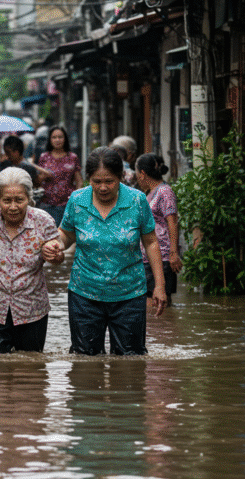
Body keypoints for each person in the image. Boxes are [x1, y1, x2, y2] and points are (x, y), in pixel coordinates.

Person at [42, 147, 167, 355]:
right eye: (96, 181)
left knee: (131, 360)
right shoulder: (77, 200)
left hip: (130, 294)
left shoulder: (137, 201)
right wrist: (55, 245)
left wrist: (159, 286)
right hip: (85, 293)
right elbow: (66, 233)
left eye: (109, 181)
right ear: (88, 179)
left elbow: (151, 241)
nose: (102, 187)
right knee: (85, 359)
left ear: (120, 177)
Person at [0, 167, 63, 354]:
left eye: (19, 200)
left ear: (29, 199)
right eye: (6, 200)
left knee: (30, 370)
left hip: (32, 309)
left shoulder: (43, 221)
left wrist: (55, 255)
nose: (13, 206)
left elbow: (58, 257)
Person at [135, 153, 182, 305]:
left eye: (137, 173)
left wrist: (173, 254)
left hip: (161, 257)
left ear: (142, 174)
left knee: (156, 305)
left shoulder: (164, 192)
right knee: (155, 307)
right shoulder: (150, 193)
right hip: (149, 256)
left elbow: (173, 222)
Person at [37, 125, 83, 226]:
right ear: (50, 139)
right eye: (54, 137)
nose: (57, 140)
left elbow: (79, 181)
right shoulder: (44, 157)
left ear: (65, 139)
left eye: (60, 137)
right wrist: (42, 177)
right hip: (47, 204)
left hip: (67, 205)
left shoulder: (72, 157)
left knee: (64, 235)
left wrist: (76, 197)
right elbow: (37, 182)